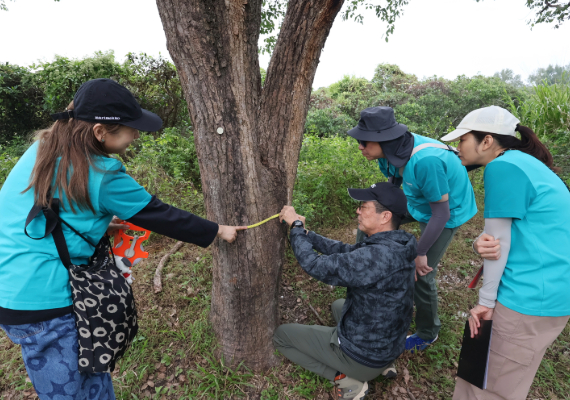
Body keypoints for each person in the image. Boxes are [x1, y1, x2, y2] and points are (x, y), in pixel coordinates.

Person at [0, 78, 246, 400]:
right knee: (72, 392)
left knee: (90, 377)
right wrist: (217, 230)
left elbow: (46, 206)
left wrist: (100, 222)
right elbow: (161, 215)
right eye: (130, 128)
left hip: (12, 288)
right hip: (44, 302)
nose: (136, 134)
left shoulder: (45, 147)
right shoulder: (104, 175)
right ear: (100, 132)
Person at [440, 106, 570, 400]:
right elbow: (502, 237)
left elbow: (499, 244)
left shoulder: (503, 167)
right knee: (506, 383)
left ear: (486, 141)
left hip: (525, 297)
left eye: (462, 139)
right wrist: (478, 244)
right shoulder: (526, 163)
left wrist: (485, 302)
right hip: (550, 295)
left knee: (485, 388)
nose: (457, 147)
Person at [347, 106, 477, 352]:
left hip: (445, 211)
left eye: (364, 142)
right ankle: (368, 274)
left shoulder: (425, 161)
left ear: (383, 140)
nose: (360, 147)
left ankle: (428, 332)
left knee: (420, 274)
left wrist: (420, 253)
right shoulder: (388, 154)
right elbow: (394, 184)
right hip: (416, 198)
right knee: (368, 226)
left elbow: (440, 212)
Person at [273, 182, 416, 400]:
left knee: (281, 336)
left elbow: (314, 265)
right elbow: (347, 251)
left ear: (385, 216)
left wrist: (296, 228)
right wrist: (307, 233)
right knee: (338, 306)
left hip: (365, 358)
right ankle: (385, 364)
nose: (357, 210)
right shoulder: (398, 244)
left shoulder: (375, 256)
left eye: (364, 206)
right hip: (388, 344)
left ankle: (347, 381)